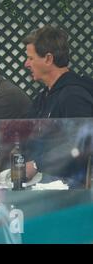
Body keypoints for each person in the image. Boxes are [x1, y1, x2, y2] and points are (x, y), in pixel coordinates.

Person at [23, 25, 93, 186]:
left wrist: (36, 164)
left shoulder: (73, 95)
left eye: (31, 58)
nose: (26, 64)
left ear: (48, 59)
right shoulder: (44, 96)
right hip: (45, 183)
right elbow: (26, 130)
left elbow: (82, 142)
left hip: (70, 190)